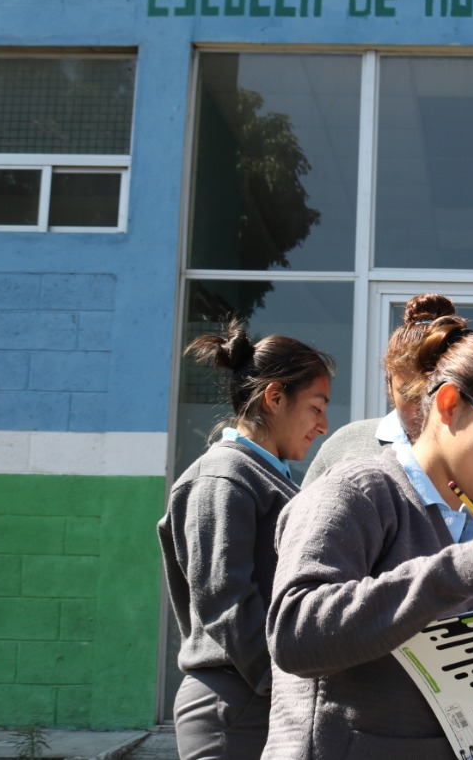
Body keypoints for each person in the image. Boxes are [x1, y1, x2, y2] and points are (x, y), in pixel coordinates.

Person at [263, 331, 473, 760]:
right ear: (449, 404)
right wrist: (454, 571)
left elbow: (465, 707)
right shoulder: (357, 492)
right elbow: (295, 634)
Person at [157, 322, 335, 760]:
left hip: (262, 696)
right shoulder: (223, 477)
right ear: (275, 397)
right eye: (316, 407)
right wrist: (287, 684)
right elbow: (225, 599)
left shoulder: (267, 477)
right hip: (237, 704)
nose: (324, 426)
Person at [307, 293, 467, 481]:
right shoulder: (346, 444)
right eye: (411, 395)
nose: (424, 408)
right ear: (389, 385)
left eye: (437, 394)